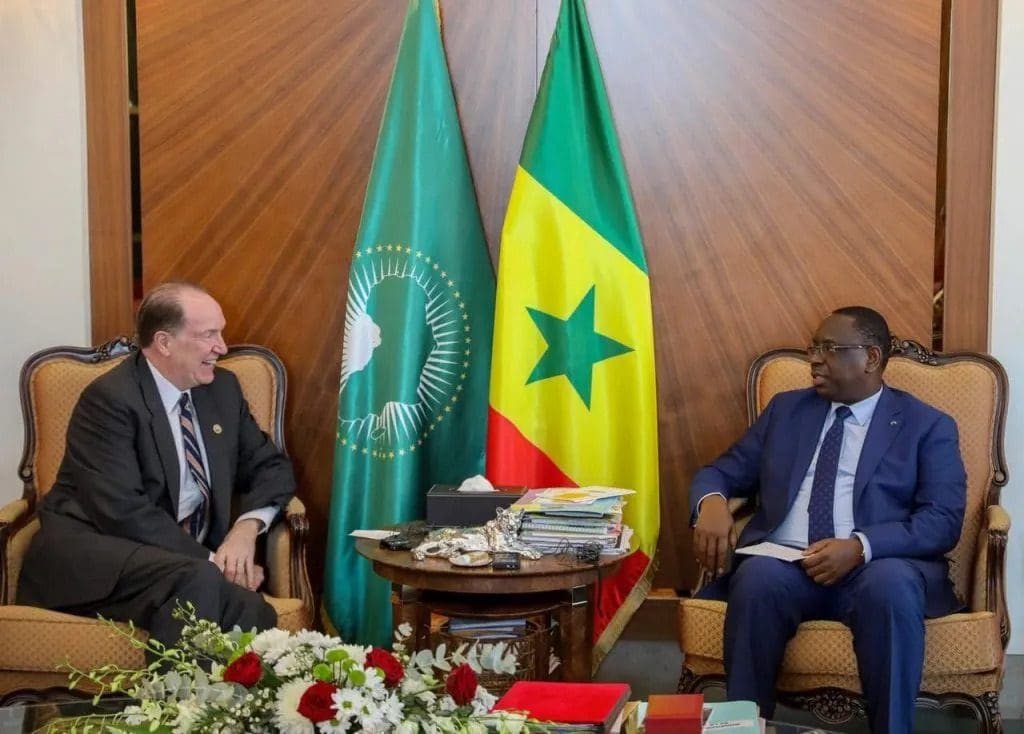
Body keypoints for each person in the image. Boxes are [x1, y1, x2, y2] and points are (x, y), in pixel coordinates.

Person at [690, 306, 966, 734]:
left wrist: (860, 546)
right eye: (813, 348)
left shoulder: (927, 425)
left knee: (891, 587)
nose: (814, 359)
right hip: (787, 563)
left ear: (871, 357)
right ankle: (744, 727)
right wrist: (711, 502)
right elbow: (721, 472)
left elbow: (942, 520)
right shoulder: (786, 411)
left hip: (877, 566)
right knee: (757, 579)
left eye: (830, 349)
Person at [18, 282, 295, 646]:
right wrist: (216, 562)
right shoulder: (110, 400)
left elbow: (271, 466)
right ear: (164, 343)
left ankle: (221, 687)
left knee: (247, 606)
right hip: (95, 550)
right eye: (209, 335)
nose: (222, 347)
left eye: (221, 333)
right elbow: (121, 510)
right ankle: (178, 687)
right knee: (205, 582)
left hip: (178, 562)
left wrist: (246, 529)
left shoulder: (222, 389)